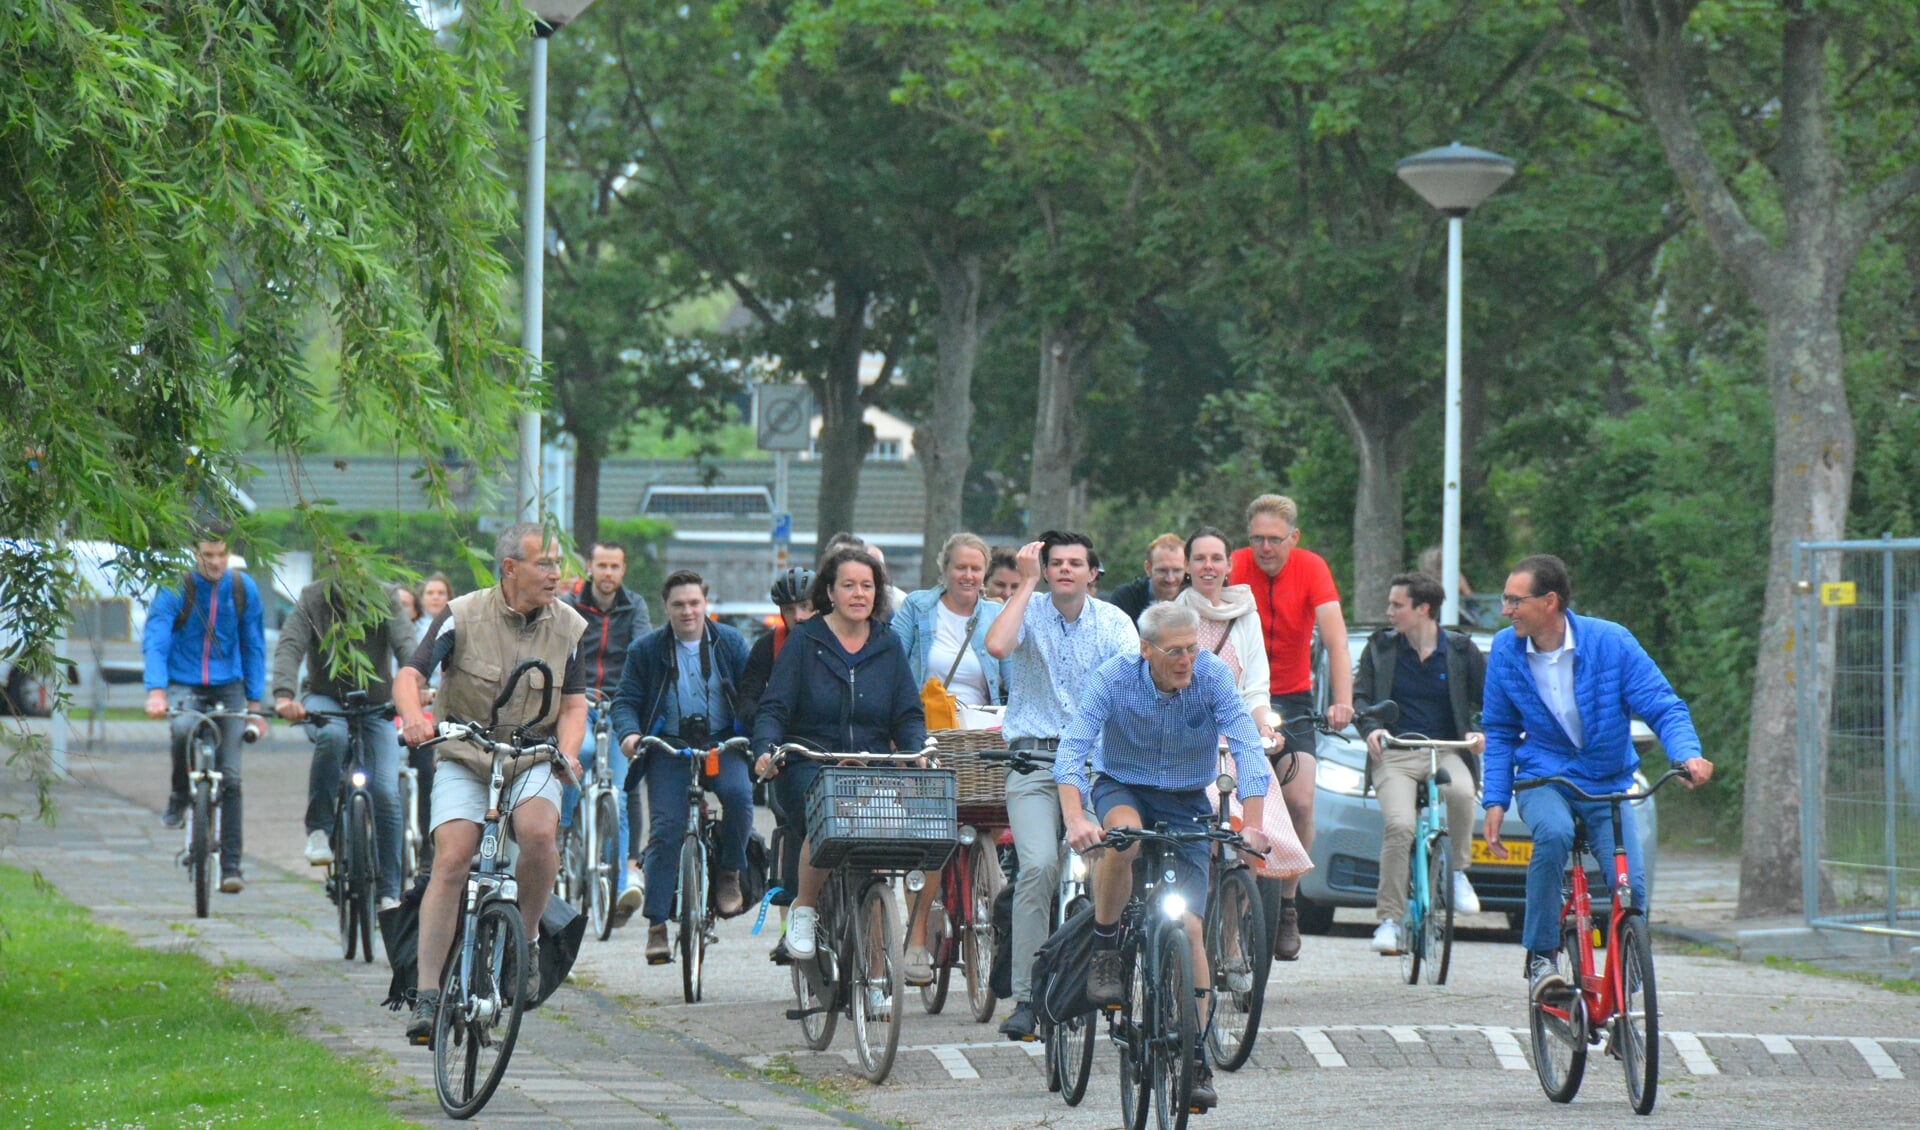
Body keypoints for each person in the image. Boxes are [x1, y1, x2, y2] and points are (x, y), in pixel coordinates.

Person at [1058, 601, 1274, 1111]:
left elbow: (1246, 745)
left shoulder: (1213, 676)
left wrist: (1256, 823)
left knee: (1191, 928)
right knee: (1125, 839)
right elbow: (1072, 751)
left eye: (1192, 648)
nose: (1186, 660)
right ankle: (1107, 947)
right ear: (1145, 648)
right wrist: (1076, 819)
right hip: (1122, 787)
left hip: (1184, 801)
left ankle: (1196, 1058)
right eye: (1174, 651)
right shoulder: (1114, 677)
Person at [1479, 554, 1713, 1001]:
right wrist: (1494, 800)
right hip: (1545, 777)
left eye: (1514, 600)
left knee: (1631, 886)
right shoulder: (1507, 653)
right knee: (1553, 833)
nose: (1506, 610)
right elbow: (1501, 731)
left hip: (1607, 782)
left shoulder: (1612, 642)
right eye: (1506, 600)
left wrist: (1689, 756)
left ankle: (1625, 986)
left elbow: (1664, 706)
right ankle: (1542, 955)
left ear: (1550, 601)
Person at [394, 522, 588, 1044]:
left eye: (557, 563)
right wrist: (415, 717)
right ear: (510, 568)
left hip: (530, 756)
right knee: (453, 858)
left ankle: (524, 945)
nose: (556, 574)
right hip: (466, 752)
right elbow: (410, 676)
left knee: (539, 833)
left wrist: (567, 754)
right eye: (544, 563)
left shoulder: (568, 626)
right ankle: (429, 993)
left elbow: (573, 704)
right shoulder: (460, 615)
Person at [982, 531, 1139, 1042]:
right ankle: (1027, 997)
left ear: (1094, 572)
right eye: (1055, 563)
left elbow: (1133, 685)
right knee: (1038, 868)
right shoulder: (1028, 607)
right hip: (1033, 757)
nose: (1065, 570)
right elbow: (998, 645)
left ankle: (1107, 969)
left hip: (1097, 762)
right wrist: (1024, 585)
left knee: (1111, 860)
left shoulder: (1115, 623)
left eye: (1076, 563)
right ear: (1045, 570)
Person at [752, 547, 924, 971]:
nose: (859, 593)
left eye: (867, 586)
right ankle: (805, 910)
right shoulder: (804, 640)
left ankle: (879, 970)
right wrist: (767, 749)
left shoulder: (888, 643)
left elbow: (907, 713)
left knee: (882, 847)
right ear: (829, 590)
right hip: (811, 761)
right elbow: (773, 707)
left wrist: (916, 749)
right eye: (848, 585)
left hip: (871, 763)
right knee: (826, 816)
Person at [1228, 493, 1353, 961]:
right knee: (1233, 802)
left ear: (1293, 538)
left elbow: (1337, 642)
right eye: (1257, 538)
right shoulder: (1235, 565)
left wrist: (1342, 702)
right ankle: (1230, 893)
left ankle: (1286, 905)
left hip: (1293, 700)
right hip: (1239, 696)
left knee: (1300, 800)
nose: (1265, 548)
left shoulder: (1312, 568)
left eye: (1275, 539)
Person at [612, 570, 755, 963]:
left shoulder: (729, 642)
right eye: (678, 605)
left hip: (722, 741)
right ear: (666, 608)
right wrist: (629, 734)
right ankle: (657, 924)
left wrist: (756, 734)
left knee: (740, 799)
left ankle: (729, 872)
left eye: (694, 603)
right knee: (667, 828)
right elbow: (625, 700)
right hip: (668, 746)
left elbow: (753, 693)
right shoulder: (647, 649)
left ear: (705, 603)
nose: (687, 611)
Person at [891, 532, 1005, 983]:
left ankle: (986, 899)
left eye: (976, 569)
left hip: (980, 735)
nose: (969, 576)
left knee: (992, 817)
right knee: (931, 837)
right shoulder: (917, 608)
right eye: (960, 567)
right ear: (944, 569)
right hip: (928, 732)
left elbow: (1011, 681)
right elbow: (896, 667)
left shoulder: (996, 615)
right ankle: (917, 937)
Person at [1353, 572, 1487, 955]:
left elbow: (1489, 702)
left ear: (1423, 609)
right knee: (1400, 826)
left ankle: (1457, 872)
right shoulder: (1381, 648)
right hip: (1394, 751)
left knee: (1462, 793)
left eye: (1397, 605)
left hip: (1445, 749)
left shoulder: (1461, 651)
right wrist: (1372, 729)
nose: (1389, 612)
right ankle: (1390, 921)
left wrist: (1480, 733)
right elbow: (1362, 698)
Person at [272, 573, 415, 909]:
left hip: (377, 703)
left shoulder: (387, 596)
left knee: (385, 790)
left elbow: (407, 645)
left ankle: (389, 892)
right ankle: (320, 831)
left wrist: (416, 685)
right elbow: (290, 645)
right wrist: (283, 696)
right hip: (325, 699)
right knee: (332, 737)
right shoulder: (312, 597)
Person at [142, 530, 267, 893]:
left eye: (221, 555)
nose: (214, 563)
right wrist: (155, 691)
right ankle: (180, 794)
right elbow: (157, 638)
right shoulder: (175, 586)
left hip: (230, 687)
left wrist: (255, 704)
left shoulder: (244, 589)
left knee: (231, 777)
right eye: (207, 555)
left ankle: (231, 867)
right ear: (194, 554)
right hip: (185, 682)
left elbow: (254, 645)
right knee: (181, 729)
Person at [561, 540, 653, 929]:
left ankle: (617, 883)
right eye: (602, 566)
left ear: (623, 570)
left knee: (617, 785)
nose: (608, 574)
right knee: (574, 756)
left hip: (617, 703)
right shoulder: (569, 604)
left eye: (615, 566)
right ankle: (563, 832)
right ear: (591, 569)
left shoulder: (635, 607)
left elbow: (642, 652)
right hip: (578, 701)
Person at [738, 565, 816, 961]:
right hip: (787, 751)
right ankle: (790, 927)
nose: (800, 615)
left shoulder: (838, 639)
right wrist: (767, 738)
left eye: (806, 605)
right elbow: (749, 696)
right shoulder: (768, 646)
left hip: (829, 747)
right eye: (791, 609)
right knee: (793, 827)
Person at [1103, 533, 1187, 622]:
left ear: (1187, 568)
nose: (1170, 579)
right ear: (1148, 569)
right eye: (1162, 571)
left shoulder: (1195, 598)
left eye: (1177, 570)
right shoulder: (1126, 599)